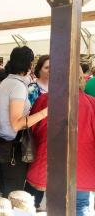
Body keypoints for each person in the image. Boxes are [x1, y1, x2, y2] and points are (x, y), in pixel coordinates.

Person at [25, 67, 95, 216]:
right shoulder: (92, 103)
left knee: (54, 205)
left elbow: (32, 130)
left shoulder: (45, 100)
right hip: (82, 167)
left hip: (51, 164)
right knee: (81, 205)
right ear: (81, 78)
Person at [0, 46, 48, 198]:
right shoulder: (17, 86)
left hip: (5, 143)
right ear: (30, 65)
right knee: (14, 195)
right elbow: (17, 123)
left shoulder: (7, 82)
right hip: (14, 147)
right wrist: (45, 112)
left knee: (8, 193)